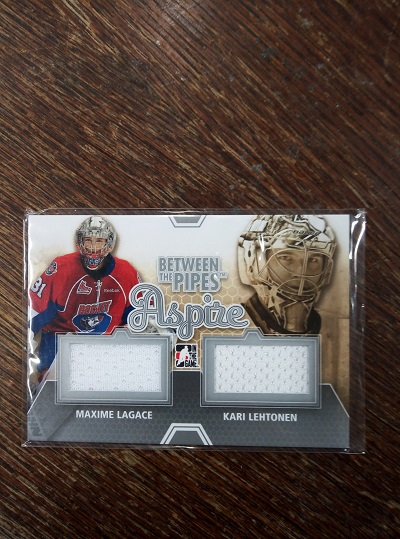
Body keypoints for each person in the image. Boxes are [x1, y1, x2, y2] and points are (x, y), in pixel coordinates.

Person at [28, 216, 141, 387]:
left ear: (109, 244)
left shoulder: (126, 272)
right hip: (61, 339)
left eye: (99, 241)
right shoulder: (62, 268)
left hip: (107, 346)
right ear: (79, 242)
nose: (94, 247)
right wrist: (24, 342)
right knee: (51, 387)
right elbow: (35, 312)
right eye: (88, 240)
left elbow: (138, 317)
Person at [238, 214, 336, 334]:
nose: (301, 272)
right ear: (253, 261)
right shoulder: (235, 323)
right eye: (285, 257)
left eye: (313, 260)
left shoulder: (339, 329)